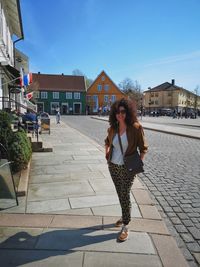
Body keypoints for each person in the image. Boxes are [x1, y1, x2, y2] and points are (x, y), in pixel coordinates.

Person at [104, 98, 148, 242]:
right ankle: (124, 216)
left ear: (128, 112)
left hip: (128, 167)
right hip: (113, 166)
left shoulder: (135, 128)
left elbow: (143, 148)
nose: (120, 114)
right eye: (117, 112)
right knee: (120, 193)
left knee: (125, 193)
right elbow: (107, 141)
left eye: (123, 111)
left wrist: (137, 165)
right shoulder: (113, 128)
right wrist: (107, 151)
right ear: (114, 114)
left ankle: (126, 225)